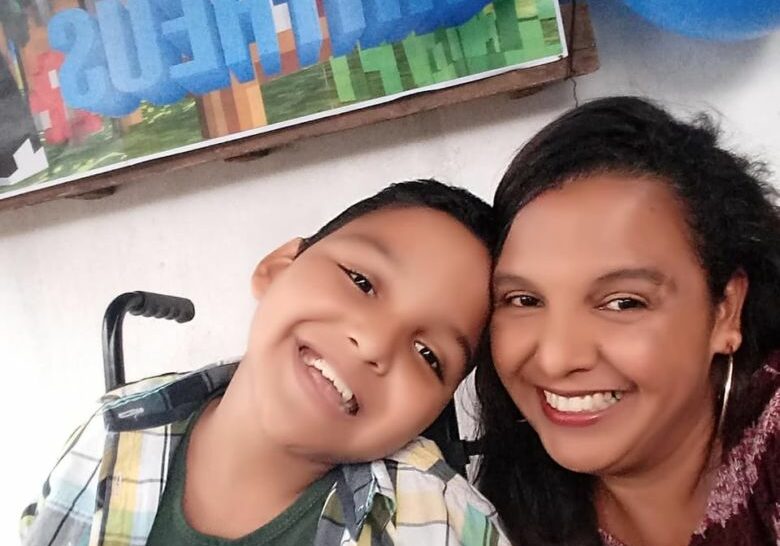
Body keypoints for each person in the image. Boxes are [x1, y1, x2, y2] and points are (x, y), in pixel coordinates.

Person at [22, 179, 509, 546]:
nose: (375, 343)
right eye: (361, 282)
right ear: (277, 269)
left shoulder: (446, 524)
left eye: (428, 356)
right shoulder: (111, 432)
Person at [475, 97, 780, 546]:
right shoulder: (484, 516)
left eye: (622, 303)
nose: (557, 359)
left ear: (725, 310)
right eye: (524, 300)